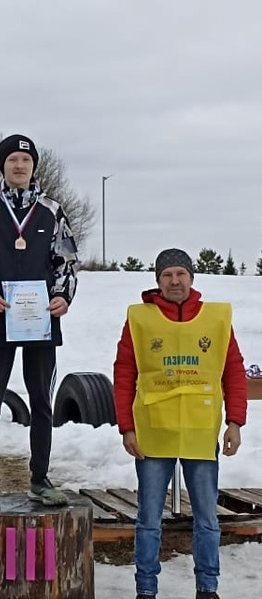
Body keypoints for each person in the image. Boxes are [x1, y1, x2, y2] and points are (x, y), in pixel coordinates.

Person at [0, 134, 79, 511]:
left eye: (25, 160)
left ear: (34, 166)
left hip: (40, 322)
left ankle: (40, 478)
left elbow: (66, 263)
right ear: (3, 167)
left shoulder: (52, 210)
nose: (19, 166)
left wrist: (62, 297)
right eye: (12, 161)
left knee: (41, 401)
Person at [113, 248, 247, 599]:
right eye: (167, 275)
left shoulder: (216, 319)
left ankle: (207, 588)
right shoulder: (139, 319)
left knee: (207, 518)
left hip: (201, 433)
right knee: (148, 519)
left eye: (180, 274)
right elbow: (125, 372)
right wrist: (126, 426)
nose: (174, 281)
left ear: (191, 277)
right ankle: (146, 589)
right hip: (152, 433)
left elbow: (232, 369)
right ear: (158, 280)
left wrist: (235, 421)